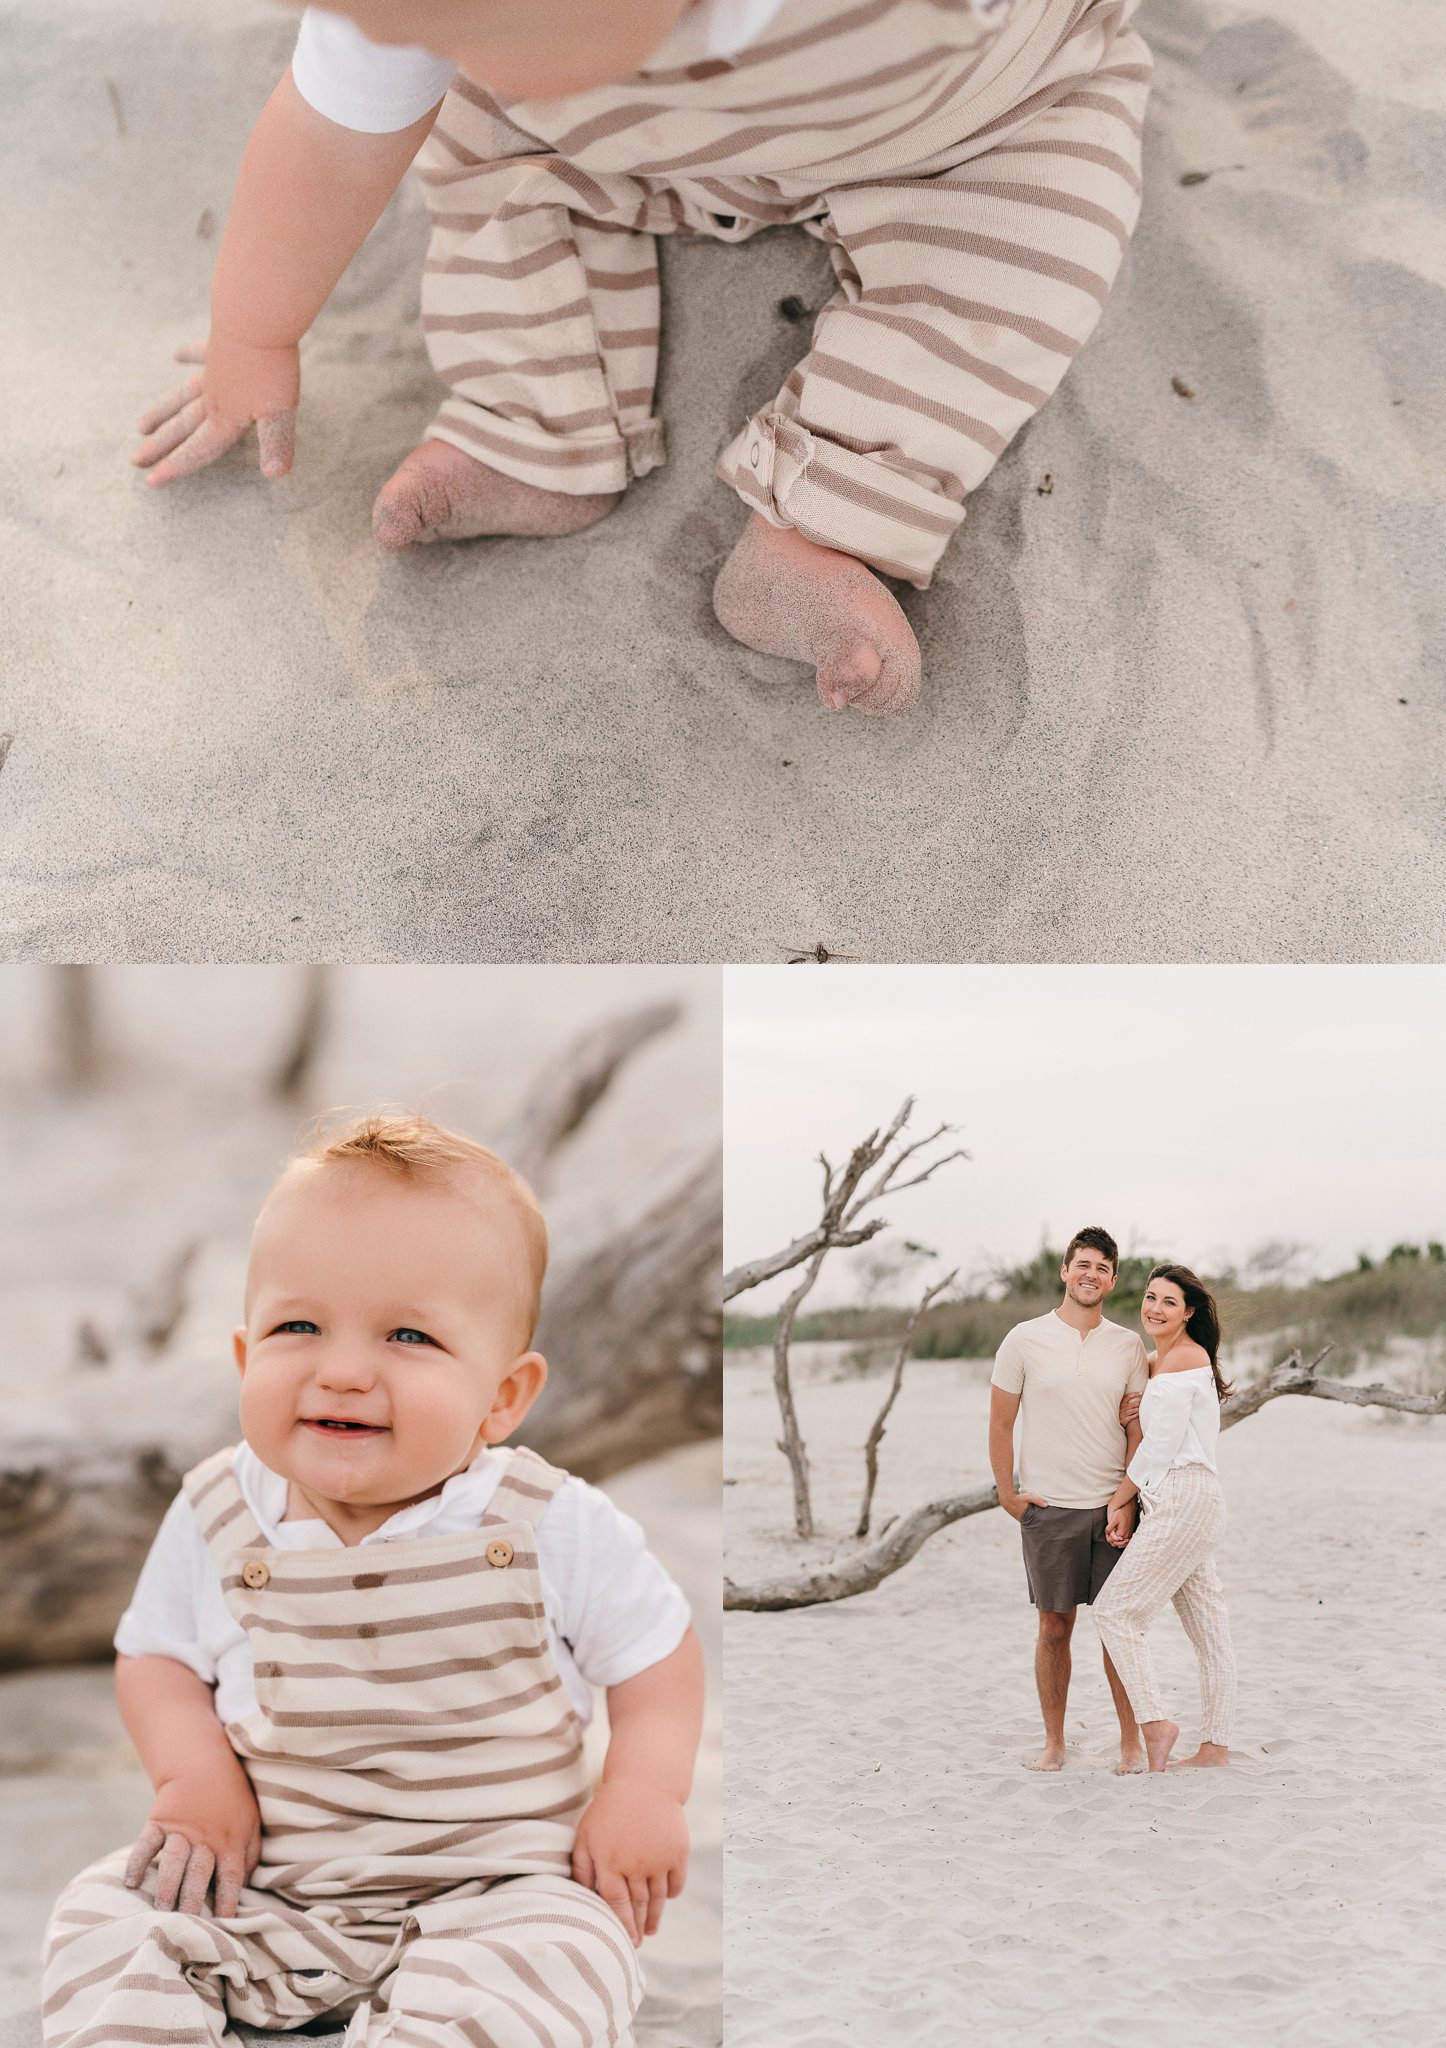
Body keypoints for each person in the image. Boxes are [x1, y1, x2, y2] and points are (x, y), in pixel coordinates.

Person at [131, 0, 1152, 716]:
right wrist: (253, 333)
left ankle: (824, 518)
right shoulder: (439, 17)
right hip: (626, 139)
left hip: (957, 125)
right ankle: (531, 418)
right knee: (479, 145)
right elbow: (328, 131)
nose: (427, 39)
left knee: (1028, 245)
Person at [40, 1112, 704, 2048]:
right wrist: (195, 1776)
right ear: (243, 1357)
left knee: (569, 1951)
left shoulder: (547, 1522)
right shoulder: (217, 1513)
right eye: (297, 1326)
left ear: (504, 1396)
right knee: (104, 1914)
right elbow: (155, 1659)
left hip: (494, 1895)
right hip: (265, 1891)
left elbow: (657, 1658)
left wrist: (643, 1793)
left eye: (409, 1337)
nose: (343, 1371)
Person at [989, 1226, 1149, 1774]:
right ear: (1064, 1271)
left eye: (1103, 1267)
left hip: (1114, 1507)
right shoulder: (1023, 1339)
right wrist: (1007, 1494)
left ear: (1113, 1280)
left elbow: (1137, 1430)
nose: (1091, 1274)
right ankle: (1054, 1741)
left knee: (1119, 1629)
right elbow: (1000, 1421)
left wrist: (1127, 1498)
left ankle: (1130, 1741)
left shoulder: (1128, 1345)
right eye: (1083, 1264)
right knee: (1054, 1628)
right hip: (1049, 1506)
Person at [1093, 1262, 1238, 1772]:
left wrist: (1120, 1497)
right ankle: (1215, 1748)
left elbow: (1161, 1448)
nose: (1154, 1308)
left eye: (1169, 1302)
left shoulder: (1184, 1359)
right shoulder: (1166, 1359)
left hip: (1183, 1496)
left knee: (1114, 1612)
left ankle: (1155, 1722)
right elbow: (1146, 1412)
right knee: (1210, 1632)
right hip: (1186, 1501)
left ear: (1189, 1311)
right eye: (1150, 1297)